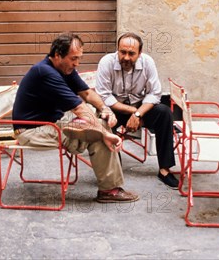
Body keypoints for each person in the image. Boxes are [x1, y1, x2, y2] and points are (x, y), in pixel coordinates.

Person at [12, 33, 139, 203]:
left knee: (99, 123)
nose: (77, 63)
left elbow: (86, 93)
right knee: (98, 133)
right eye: (74, 58)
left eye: (79, 58)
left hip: (51, 123)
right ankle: (109, 190)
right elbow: (79, 108)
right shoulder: (45, 72)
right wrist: (105, 133)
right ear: (58, 55)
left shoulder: (64, 68)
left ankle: (110, 185)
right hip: (31, 131)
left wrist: (104, 108)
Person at [95, 33, 179, 189]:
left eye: (131, 53)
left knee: (164, 113)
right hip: (116, 107)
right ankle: (112, 170)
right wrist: (133, 111)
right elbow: (104, 95)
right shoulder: (106, 63)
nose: (126, 57)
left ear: (140, 54)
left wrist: (139, 113)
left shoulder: (148, 63)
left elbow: (155, 93)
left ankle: (164, 169)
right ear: (117, 50)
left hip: (141, 107)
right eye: (122, 52)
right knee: (103, 121)